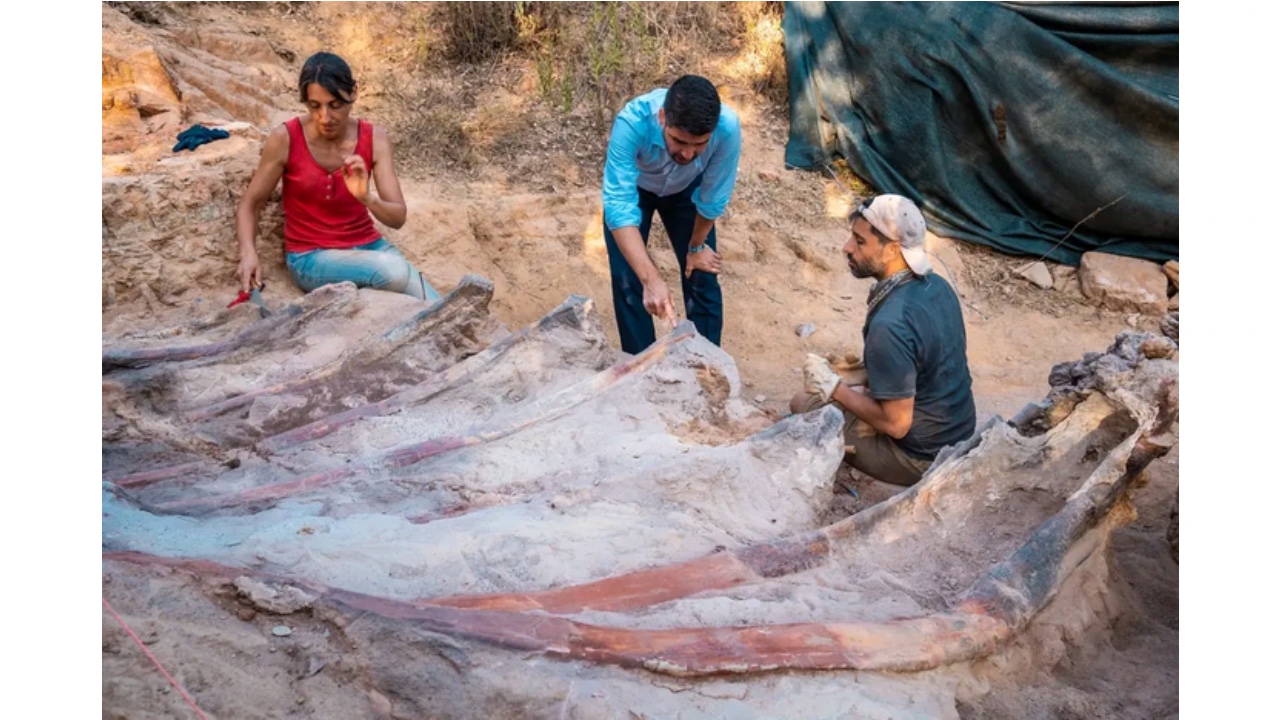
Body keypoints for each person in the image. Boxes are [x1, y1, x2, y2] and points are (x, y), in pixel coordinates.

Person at [793, 194, 976, 486]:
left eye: (860, 241)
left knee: (804, 402)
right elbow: (925, 360)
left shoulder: (889, 325)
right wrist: (859, 373)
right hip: (959, 431)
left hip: (922, 457)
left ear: (892, 249)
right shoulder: (937, 286)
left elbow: (897, 425)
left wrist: (835, 388)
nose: (847, 248)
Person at [235, 52, 439, 301]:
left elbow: (397, 218)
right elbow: (251, 203)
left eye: (335, 105)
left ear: (353, 93)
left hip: (370, 248)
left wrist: (366, 198)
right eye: (314, 106)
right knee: (395, 272)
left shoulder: (375, 138)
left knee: (440, 307)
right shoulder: (286, 138)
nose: (325, 117)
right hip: (311, 257)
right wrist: (248, 253)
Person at [601, 75, 741, 354]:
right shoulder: (632, 123)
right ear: (663, 117)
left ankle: (709, 366)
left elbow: (712, 197)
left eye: (699, 144)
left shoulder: (727, 129)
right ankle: (640, 366)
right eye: (679, 141)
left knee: (702, 272)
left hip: (688, 191)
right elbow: (619, 206)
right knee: (630, 278)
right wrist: (651, 279)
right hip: (638, 190)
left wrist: (696, 247)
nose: (688, 154)